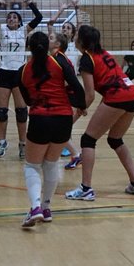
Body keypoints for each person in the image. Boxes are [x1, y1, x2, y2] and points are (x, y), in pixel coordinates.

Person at [65, 25, 134, 201]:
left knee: (88, 140)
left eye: (77, 35)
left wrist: (76, 115)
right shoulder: (105, 54)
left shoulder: (86, 59)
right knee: (115, 139)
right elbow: (110, 84)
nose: (74, 37)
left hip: (118, 97)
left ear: (82, 41)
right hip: (133, 96)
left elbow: (90, 95)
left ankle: (86, 189)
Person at [18, 32, 86, 227]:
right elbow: (77, 87)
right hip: (63, 119)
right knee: (50, 164)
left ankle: (35, 208)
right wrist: (81, 106)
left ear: (29, 47)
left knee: (32, 166)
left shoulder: (22, 71)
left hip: (40, 119)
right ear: (47, 46)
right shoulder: (60, 63)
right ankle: (46, 208)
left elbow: (27, 99)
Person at [0, 0, 43, 159]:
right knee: (1, 111)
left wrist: (31, 4)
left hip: (20, 73)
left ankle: (23, 144)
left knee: (21, 112)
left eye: (14, 17)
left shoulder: (24, 30)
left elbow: (38, 17)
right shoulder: (1, 29)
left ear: (19, 21)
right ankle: (1, 142)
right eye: (9, 17)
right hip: (3, 72)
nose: (11, 19)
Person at [51, 33, 83, 169]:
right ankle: (73, 154)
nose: (48, 39)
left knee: (58, 129)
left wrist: (82, 104)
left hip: (69, 99)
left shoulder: (60, 59)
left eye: (51, 38)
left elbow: (71, 81)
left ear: (57, 44)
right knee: (57, 129)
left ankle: (76, 155)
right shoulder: (55, 58)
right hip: (65, 99)